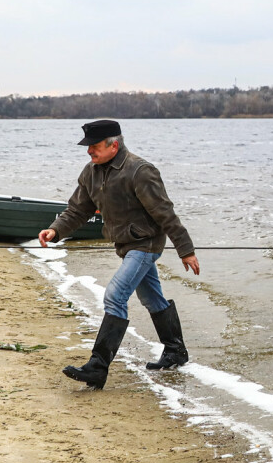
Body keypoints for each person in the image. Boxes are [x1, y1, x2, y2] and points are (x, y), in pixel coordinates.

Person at [38, 120, 199, 389]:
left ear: (114, 144)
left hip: (146, 244)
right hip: (126, 244)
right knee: (151, 297)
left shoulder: (140, 170)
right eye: (88, 146)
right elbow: (77, 210)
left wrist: (186, 250)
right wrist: (55, 230)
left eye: (94, 146)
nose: (89, 151)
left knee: (114, 296)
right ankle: (176, 351)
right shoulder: (91, 172)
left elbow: (165, 213)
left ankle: (98, 367)